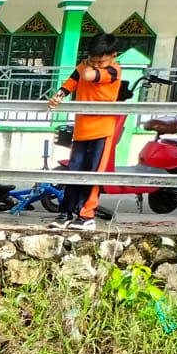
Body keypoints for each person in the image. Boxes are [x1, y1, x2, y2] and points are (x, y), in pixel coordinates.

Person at [48, 32, 122, 233]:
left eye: (101, 60)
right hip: (81, 130)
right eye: (93, 60)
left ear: (113, 55)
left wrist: (88, 63)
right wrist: (59, 96)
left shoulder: (113, 70)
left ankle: (86, 215)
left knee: (92, 173)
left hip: (102, 130)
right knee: (74, 173)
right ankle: (66, 214)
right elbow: (70, 83)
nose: (97, 64)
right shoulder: (84, 65)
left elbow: (88, 75)